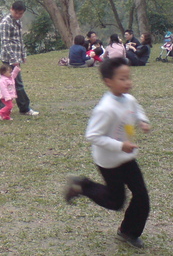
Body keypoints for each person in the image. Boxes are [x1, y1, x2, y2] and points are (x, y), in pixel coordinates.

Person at [64, 58, 151, 249]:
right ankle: (82, 186)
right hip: (109, 161)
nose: (128, 82)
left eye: (128, 78)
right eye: (122, 79)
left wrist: (143, 121)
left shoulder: (129, 99)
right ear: (108, 81)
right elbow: (93, 135)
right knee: (115, 201)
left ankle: (128, 231)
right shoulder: (105, 108)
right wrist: (120, 146)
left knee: (142, 196)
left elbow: (137, 110)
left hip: (127, 158)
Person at [0, 1, 39, 116]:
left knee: (10, 83)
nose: (18, 15)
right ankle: (25, 108)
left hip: (16, 57)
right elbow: (5, 43)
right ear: (11, 9)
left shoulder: (18, 22)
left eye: (21, 13)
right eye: (16, 13)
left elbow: (19, 39)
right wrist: (14, 60)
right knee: (17, 84)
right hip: (9, 58)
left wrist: (23, 55)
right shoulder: (5, 23)